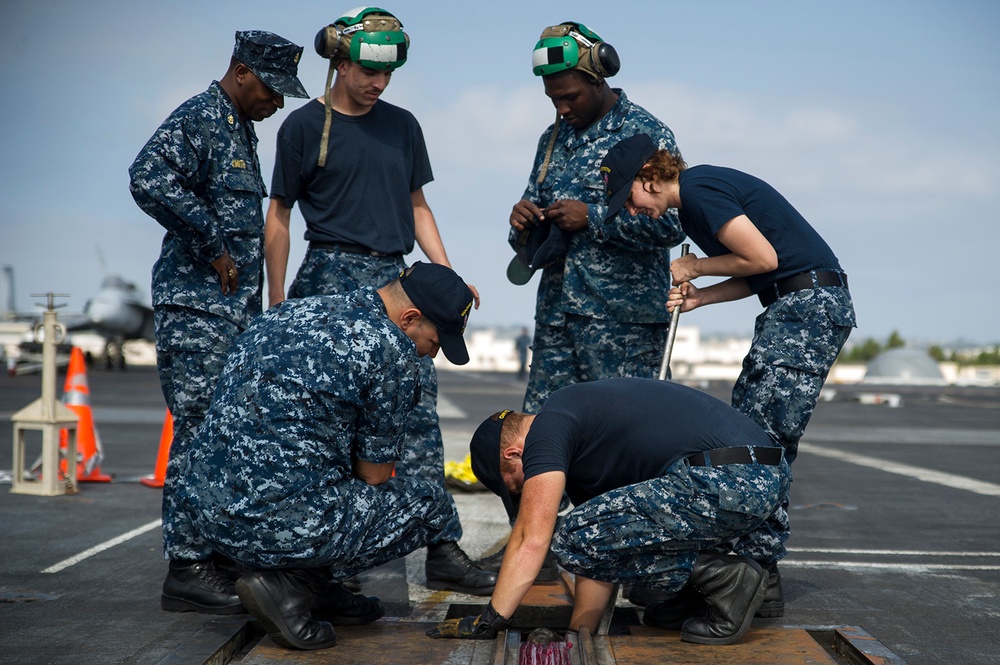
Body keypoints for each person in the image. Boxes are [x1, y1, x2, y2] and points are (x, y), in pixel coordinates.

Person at [263, 6, 493, 596]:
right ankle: (332, 570)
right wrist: (279, 300)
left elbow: (418, 207)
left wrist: (445, 276)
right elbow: (280, 217)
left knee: (418, 417)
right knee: (335, 429)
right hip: (331, 276)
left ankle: (441, 546)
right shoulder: (302, 128)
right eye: (368, 72)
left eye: (387, 75)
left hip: (399, 281)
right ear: (338, 62)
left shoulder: (403, 125)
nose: (378, 84)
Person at [600, 133, 857, 619]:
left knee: (759, 444)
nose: (632, 210)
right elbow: (758, 271)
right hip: (791, 305)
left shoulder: (698, 190)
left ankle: (755, 576)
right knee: (750, 438)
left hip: (806, 308)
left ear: (648, 177)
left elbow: (762, 258)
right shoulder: (695, 202)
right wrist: (702, 296)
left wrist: (696, 263)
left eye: (628, 198)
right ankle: (747, 572)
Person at [177, 262, 478, 651]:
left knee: (324, 475)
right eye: (434, 342)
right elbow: (374, 475)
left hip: (207, 517)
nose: (430, 354)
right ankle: (292, 588)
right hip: (275, 526)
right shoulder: (391, 350)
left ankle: (321, 588)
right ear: (410, 318)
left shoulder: (291, 311)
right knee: (429, 503)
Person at [128, 30, 308, 614]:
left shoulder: (238, 130)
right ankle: (186, 566)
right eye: (272, 89)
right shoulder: (203, 116)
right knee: (199, 430)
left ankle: (215, 552)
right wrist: (212, 243)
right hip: (197, 311)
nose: (277, 103)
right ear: (240, 70)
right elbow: (148, 177)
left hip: (230, 315)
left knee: (225, 432)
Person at [426, 378, 790, 646]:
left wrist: (492, 619)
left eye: (517, 484)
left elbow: (531, 538)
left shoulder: (549, 426)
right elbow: (599, 554)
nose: (528, 489)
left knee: (565, 535)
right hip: (757, 476)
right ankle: (699, 591)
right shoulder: (585, 445)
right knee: (593, 535)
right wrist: (578, 635)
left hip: (729, 478)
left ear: (514, 455)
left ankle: (725, 579)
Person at [506, 21, 686, 415]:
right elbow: (531, 209)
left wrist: (593, 217)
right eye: (553, 99)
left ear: (598, 79)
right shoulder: (552, 139)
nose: (562, 108)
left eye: (570, 97)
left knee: (627, 437)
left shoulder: (645, 134)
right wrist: (521, 223)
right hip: (557, 322)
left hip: (622, 327)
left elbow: (673, 224)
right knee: (544, 436)